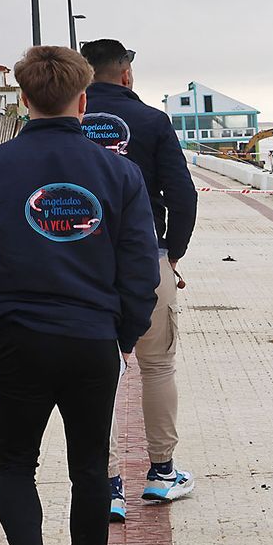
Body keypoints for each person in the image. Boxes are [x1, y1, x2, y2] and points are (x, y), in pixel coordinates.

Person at [0, 45, 160, 545]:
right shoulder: (120, 173)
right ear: (83, 99)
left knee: (14, 464)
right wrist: (123, 334)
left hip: (16, 341)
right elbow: (138, 267)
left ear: (22, 97)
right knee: (90, 467)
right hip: (93, 340)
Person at [79, 39, 198, 520]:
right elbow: (183, 196)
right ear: (126, 74)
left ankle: (107, 485)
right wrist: (170, 253)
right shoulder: (153, 121)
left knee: (98, 373)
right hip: (145, 257)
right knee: (157, 366)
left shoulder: (63, 127)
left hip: (83, 265)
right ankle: (162, 474)